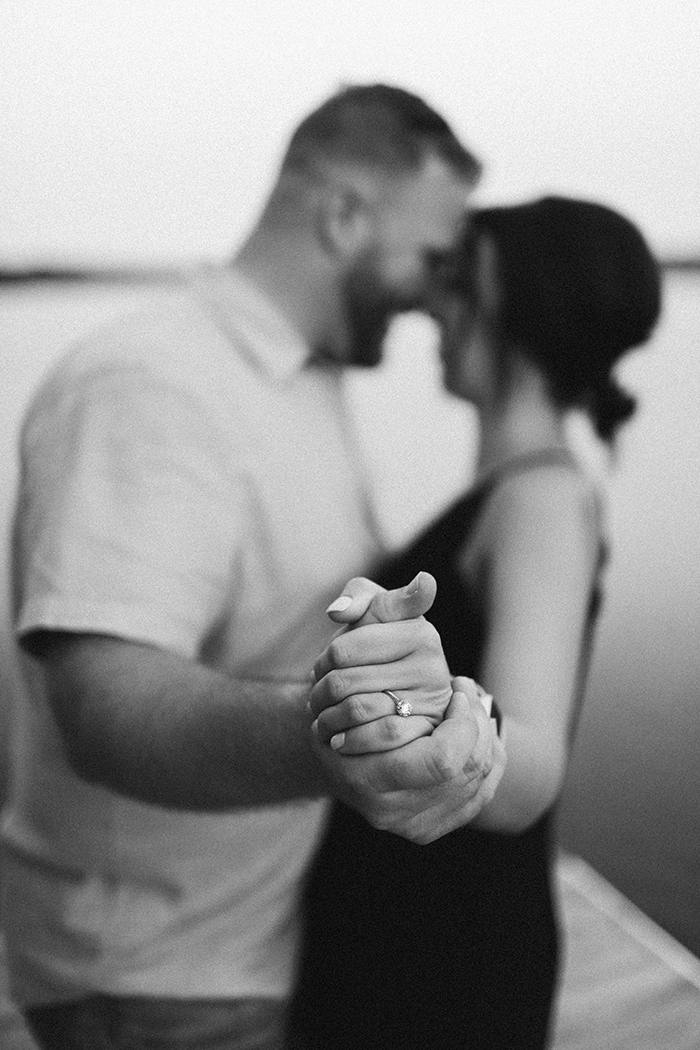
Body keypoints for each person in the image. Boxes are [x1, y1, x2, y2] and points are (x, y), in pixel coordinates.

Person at [0, 84, 504, 1050]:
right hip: (154, 982)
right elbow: (104, 704)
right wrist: (341, 735)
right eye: (433, 255)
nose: (435, 290)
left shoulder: (300, 376)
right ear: (344, 214)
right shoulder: (155, 383)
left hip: (252, 944)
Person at [289, 195, 662, 1050]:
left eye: (455, 283)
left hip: (445, 954)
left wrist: (435, 715)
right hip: (406, 924)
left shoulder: (541, 500)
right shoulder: (516, 488)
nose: (432, 310)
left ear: (502, 306)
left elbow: (531, 764)